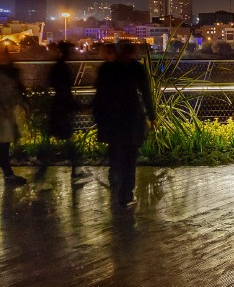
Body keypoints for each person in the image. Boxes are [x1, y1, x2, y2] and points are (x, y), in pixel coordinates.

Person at [93, 42, 156, 207]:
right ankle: (126, 193)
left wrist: (99, 118)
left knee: (115, 154)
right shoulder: (136, 69)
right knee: (130, 157)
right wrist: (152, 116)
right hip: (132, 118)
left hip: (113, 118)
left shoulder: (107, 69)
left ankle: (116, 185)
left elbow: (99, 95)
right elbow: (146, 93)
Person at [48, 41, 86, 178]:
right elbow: (65, 91)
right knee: (67, 138)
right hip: (62, 108)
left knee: (62, 138)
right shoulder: (63, 68)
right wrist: (76, 106)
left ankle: (41, 173)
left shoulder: (58, 67)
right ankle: (75, 168)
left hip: (58, 107)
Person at [0, 47, 27, 185]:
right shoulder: (9, 73)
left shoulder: (9, 72)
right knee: (4, 145)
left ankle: (8, 173)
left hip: (6, 113)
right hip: (4, 114)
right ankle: (8, 174)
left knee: (4, 144)